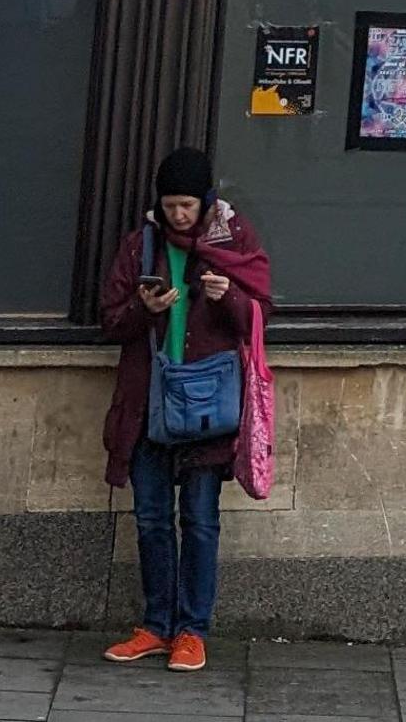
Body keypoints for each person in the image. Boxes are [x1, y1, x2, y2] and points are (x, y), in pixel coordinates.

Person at [97, 149, 274, 670]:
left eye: (188, 205)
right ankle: (155, 625)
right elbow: (110, 320)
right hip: (150, 400)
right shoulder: (140, 246)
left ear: (206, 202)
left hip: (208, 406)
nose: (179, 215)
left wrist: (229, 299)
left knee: (199, 520)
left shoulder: (232, 241)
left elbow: (262, 315)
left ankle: (192, 630)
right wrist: (142, 309)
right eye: (171, 205)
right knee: (151, 518)